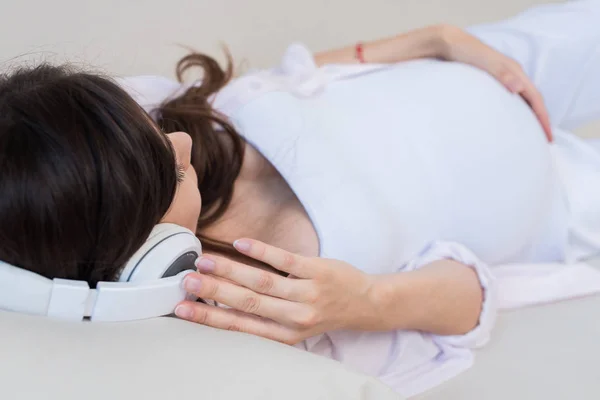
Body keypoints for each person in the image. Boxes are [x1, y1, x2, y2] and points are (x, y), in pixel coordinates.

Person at [1, 0, 600, 396]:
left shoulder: (108, 144)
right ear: (144, 252)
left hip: (492, 65)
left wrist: (427, 41)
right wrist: (365, 301)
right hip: (566, 199)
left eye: (156, 130)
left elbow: (271, 88)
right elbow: (471, 301)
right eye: (172, 171)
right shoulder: (262, 305)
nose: (181, 139)